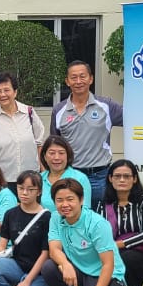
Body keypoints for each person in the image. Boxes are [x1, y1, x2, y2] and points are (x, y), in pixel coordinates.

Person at [40, 177, 140, 286]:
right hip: (80, 270)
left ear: (81, 200)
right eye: (59, 200)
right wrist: (65, 264)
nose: (65, 204)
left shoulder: (97, 224)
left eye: (70, 199)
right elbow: (54, 250)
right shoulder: (55, 217)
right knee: (49, 267)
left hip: (104, 274)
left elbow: (108, 264)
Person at [50, 60, 123, 207]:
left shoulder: (107, 106)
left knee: (100, 216)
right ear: (67, 81)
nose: (78, 81)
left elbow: (135, 119)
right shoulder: (59, 110)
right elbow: (54, 145)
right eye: (74, 77)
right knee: (71, 215)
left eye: (82, 76)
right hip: (70, 176)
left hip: (100, 176)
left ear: (91, 79)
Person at [98, 159, 143, 286]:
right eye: (117, 176)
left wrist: (117, 245)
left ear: (134, 179)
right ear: (110, 179)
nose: (122, 180)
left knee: (128, 257)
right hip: (112, 251)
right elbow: (99, 233)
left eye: (126, 176)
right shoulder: (103, 204)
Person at [0, 72, 45, 192]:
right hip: (3, 182)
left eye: (6, 90)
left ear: (15, 92)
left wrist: (43, 172)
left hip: (31, 180)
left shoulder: (29, 113)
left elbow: (39, 144)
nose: (3, 94)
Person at [38, 135, 91, 212]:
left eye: (61, 153)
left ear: (68, 156)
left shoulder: (80, 178)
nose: (56, 157)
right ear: (44, 156)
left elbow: (85, 210)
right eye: (52, 153)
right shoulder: (38, 179)